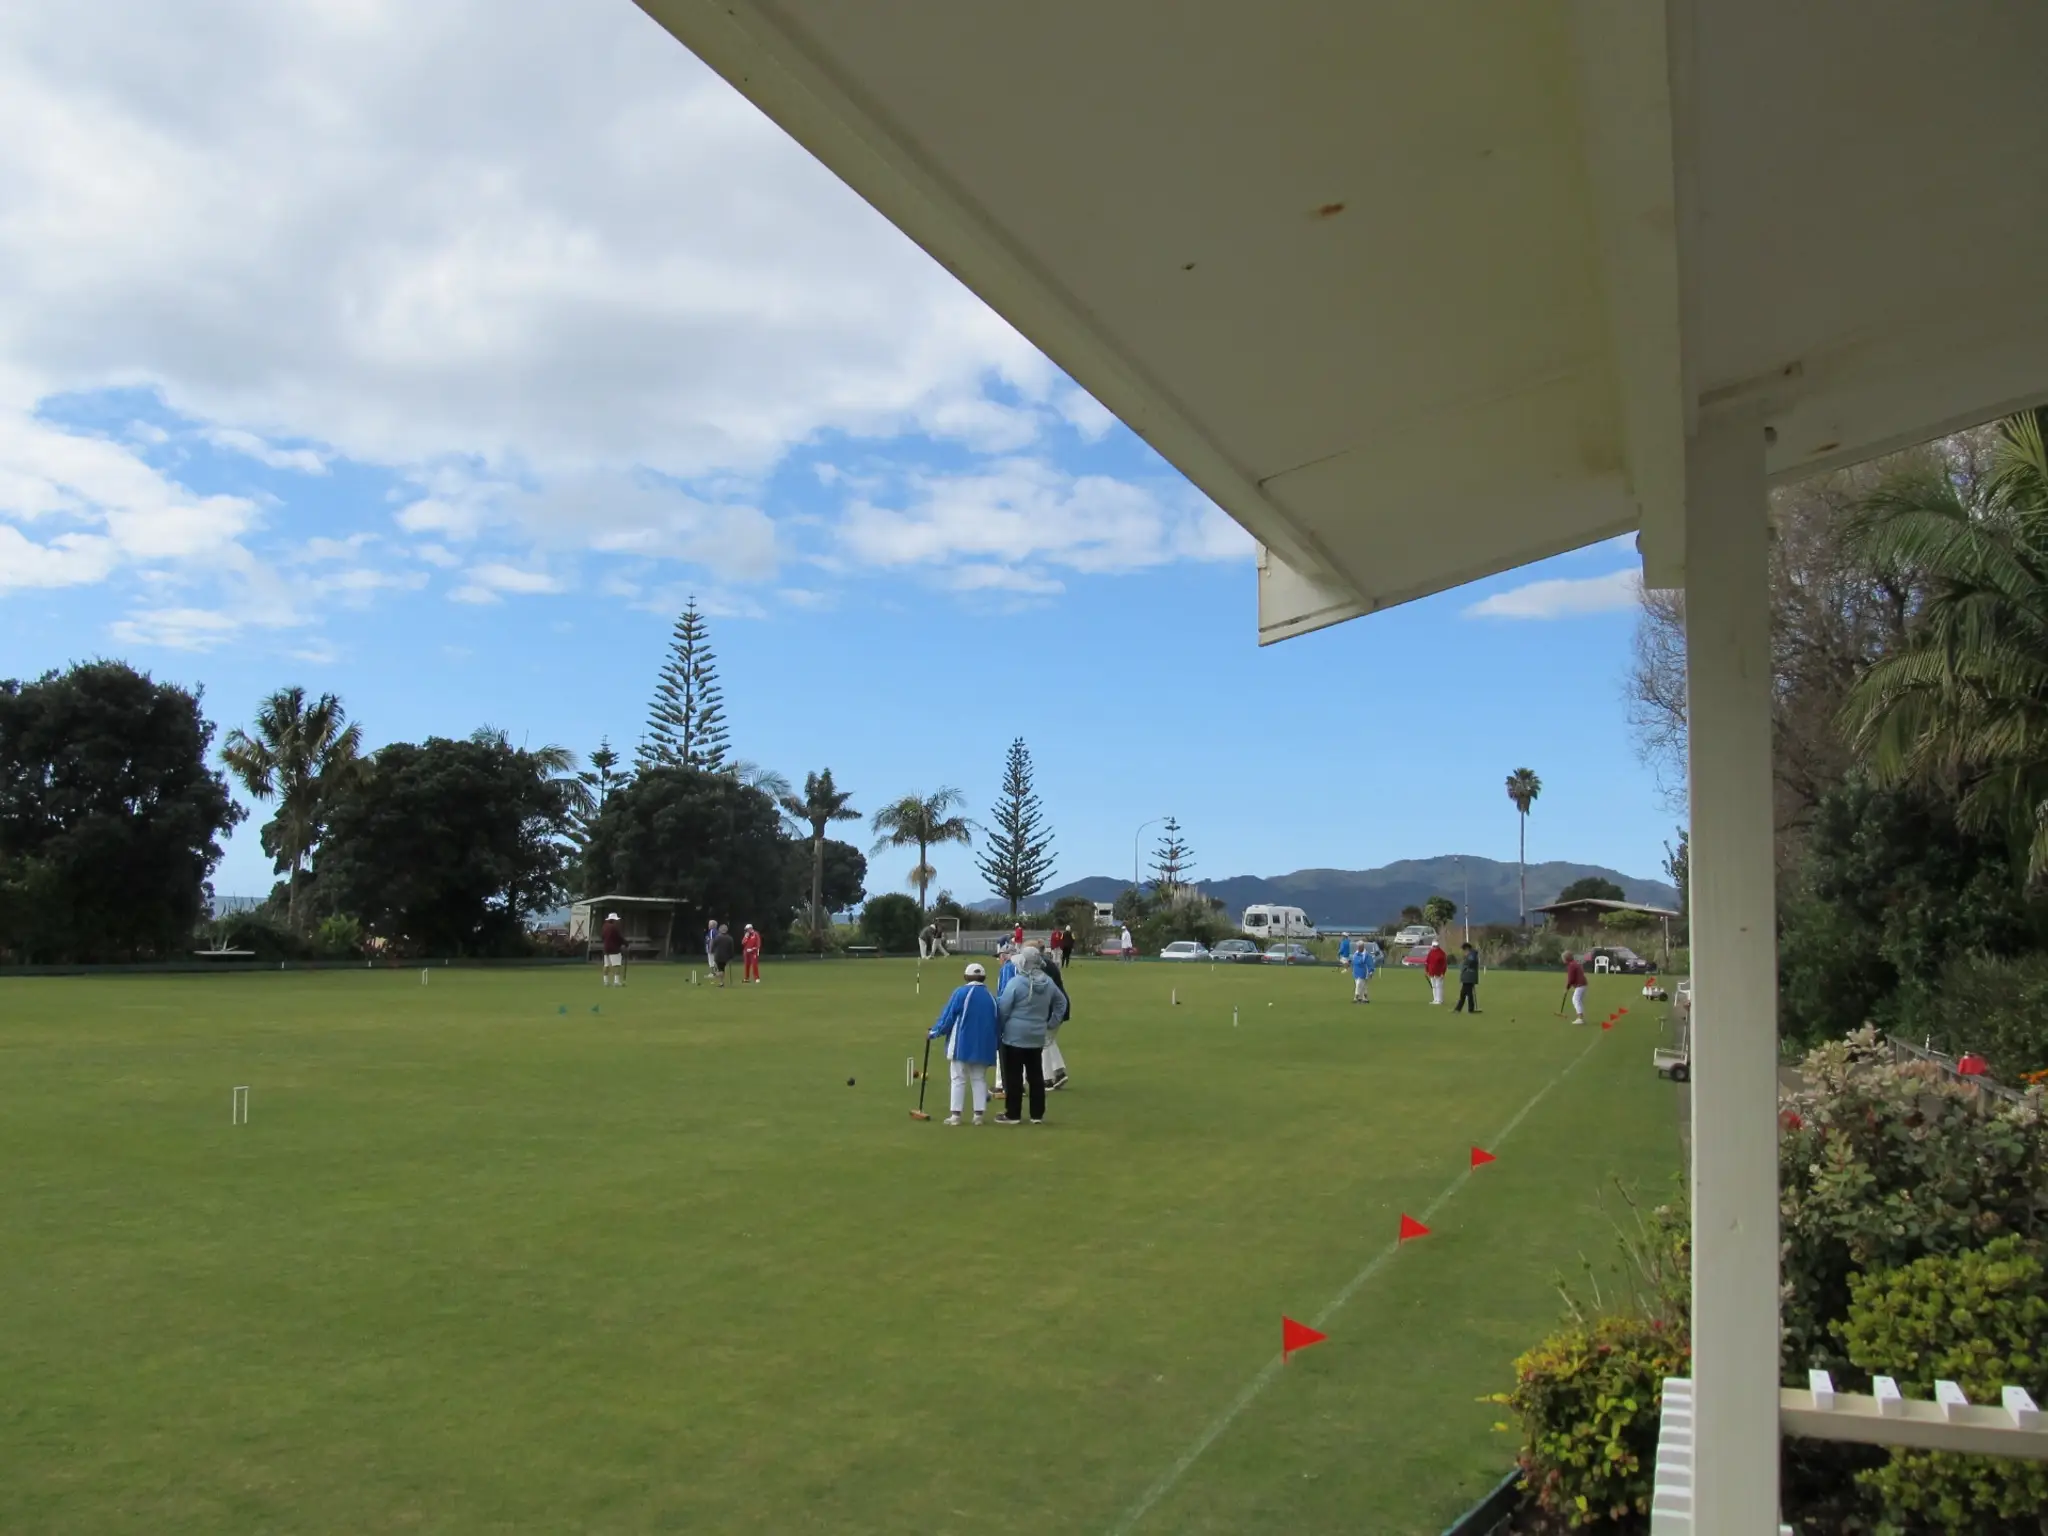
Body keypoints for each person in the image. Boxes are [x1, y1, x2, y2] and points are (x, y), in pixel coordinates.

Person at [993, 945, 1067, 1124]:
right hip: (1036, 1036)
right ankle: (1036, 1115)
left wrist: (1000, 1028)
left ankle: (1013, 1114)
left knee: (1014, 1076)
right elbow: (1061, 1002)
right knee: (1036, 1075)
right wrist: (1052, 1022)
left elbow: (1003, 1008)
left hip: (1014, 1037)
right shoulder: (1048, 982)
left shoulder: (1016, 983)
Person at [929, 961, 1000, 1125]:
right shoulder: (991, 998)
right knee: (979, 1078)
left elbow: (949, 1017)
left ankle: (955, 1116)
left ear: (966, 977)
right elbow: (998, 1024)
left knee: (958, 1078)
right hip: (984, 1046)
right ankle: (978, 1116)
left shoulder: (961, 993)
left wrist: (934, 1032)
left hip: (962, 1043)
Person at [600, 910, 627, 987]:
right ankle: (616, 982)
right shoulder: (614, 928)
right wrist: (626, 944)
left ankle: (605, 982)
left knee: (606, 965)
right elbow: (619, 937)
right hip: (614, 949)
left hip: (606, 948)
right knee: (617, 965)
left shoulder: (604, 927)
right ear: (613, 920)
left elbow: (602, 937)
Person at [1454, 942, 1481, 1013]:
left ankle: (1467, 1009)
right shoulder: (1470, 955)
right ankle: (1459, 1009)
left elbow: (1470, 962)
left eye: (1464, 950)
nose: (1463, 952)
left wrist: (1464, 964)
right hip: (1467, 977)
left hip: (1469, 977)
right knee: (1464, 993)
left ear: (1467, 949)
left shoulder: (1472, 955)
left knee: (1467, 993)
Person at [1563, 950, 1589, 1024]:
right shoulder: (1574, 963)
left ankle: (1580, 1018)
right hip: (1583, 984)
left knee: (1575, 1000)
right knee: (1578, 1000)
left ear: (1566, 958)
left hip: (1580, 985)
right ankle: (1581, 1017)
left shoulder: (1571, 965)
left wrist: (1567, 988)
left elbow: (1571, 979)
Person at [1349, 939, 1377, 1003]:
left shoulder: (1366, 955)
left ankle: (1356, 997)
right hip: (1356, 972)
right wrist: (1349, 963)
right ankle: (1364, 998)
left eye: (1359, 946)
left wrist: (1371, 971)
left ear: (1362, 946)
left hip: (1363, 972)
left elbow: (1370, 963)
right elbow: (1353, 961)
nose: (1358, 947)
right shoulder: (1356, 954)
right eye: (1358, 946)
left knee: (1359, 984)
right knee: (1363, 986)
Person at [1424, 940, 1449, 1006]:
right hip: (1431, 972)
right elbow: (1427, 962)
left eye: (1435, 946)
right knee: (1434, 986)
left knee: (1439, 986)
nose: (1434, 947)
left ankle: (1440, 1000)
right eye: (1433, 946)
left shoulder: (1442, 953)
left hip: (1439, 973)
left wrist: (1443, 973)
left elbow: (1444, 965)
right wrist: (1426, 971)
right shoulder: (1431, 952)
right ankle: (1435, 999)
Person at [711, 922, 736, 987]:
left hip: (718, 956)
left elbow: (713, 946)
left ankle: (714, 974)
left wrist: (711, 951)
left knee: (720, 970)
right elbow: (731, 949)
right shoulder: (730, 938)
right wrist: (731, 957)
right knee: (722, 969)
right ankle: (721, 983)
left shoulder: (717, 937)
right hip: (726, 957)